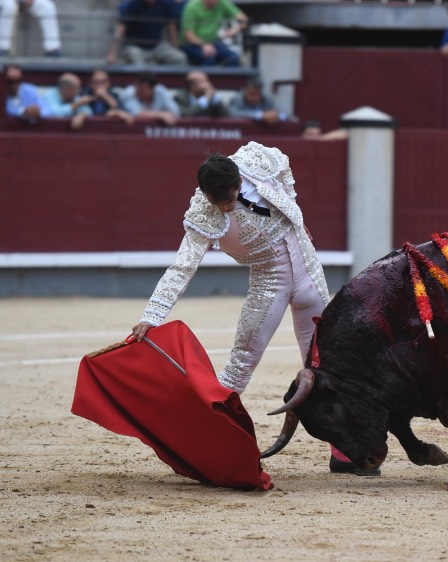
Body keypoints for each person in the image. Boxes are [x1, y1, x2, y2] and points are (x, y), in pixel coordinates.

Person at [131, 143, 375, 476]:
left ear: (238, 182)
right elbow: (182, 267)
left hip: (309, 271)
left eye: (230, 199)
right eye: (219, 203)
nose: (226, 208)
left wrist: (294, 213)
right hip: (268, 281)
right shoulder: (203, 212)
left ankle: (344, 453)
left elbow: (284, 169)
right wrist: (152, 314)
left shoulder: (257, 162)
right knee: (240, 365)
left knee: (327, 365)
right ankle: (203, 446)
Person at [107, 0, 188, 66]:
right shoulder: (132, 4)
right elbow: (120, 29)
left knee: (180, 58)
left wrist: (176, 48)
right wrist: (112, 53)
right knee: (137, 60)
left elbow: (172, 27)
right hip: (135, 48)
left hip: (157, 47)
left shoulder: (165, 4)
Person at [180, 0, 248, 67]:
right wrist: (204, 45)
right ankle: (206, 74)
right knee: (209, 56)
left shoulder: (221, 3)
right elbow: (189, 35)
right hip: (192, 45)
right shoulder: (192, 6)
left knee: (233, 57)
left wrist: (235, 29)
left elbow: (243, 19)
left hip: (213, 43)